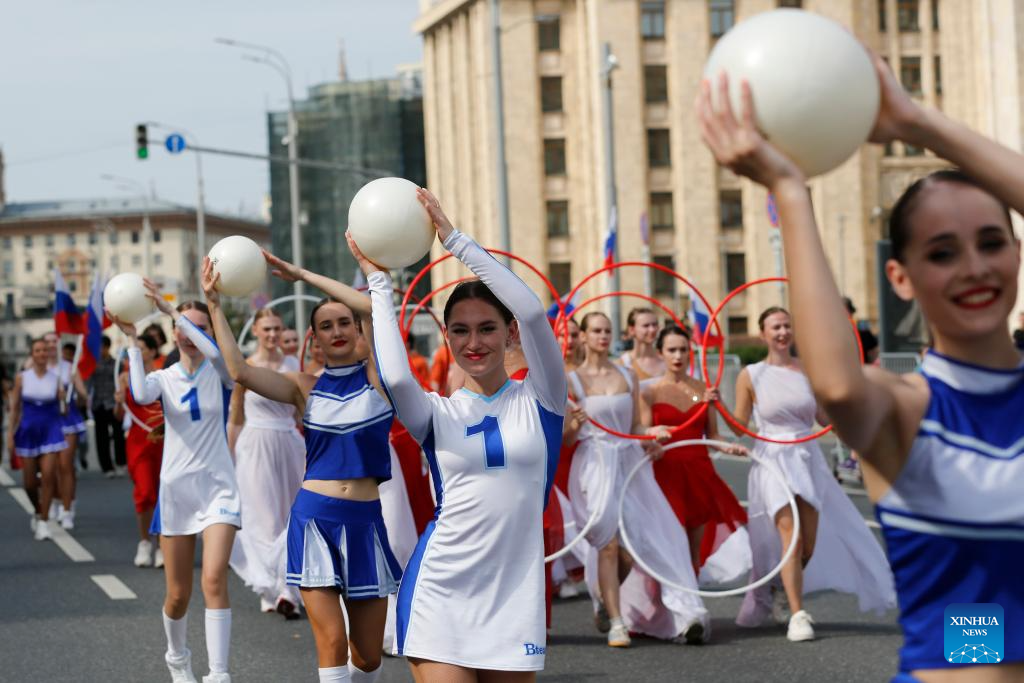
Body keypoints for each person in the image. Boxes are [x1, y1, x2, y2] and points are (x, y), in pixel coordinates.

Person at [699, 53, 1024, 680]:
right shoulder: (909, 408)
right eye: (942, 253)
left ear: (1016, 252)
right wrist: (791, 192)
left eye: (991, 243)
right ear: (901, 277)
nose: (974, 267)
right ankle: (786, 601)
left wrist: (920, 123)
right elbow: (838, 386)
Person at [357, 188, 566, 681]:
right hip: (441, 591)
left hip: (514, 598)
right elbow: (397, 378)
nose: (474, 343)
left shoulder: (544, 400)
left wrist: (454, 241)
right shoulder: (435, 414)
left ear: (510, 334)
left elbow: (533, 313)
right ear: (446, 336)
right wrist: (378, 284)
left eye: (487, 328)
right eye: (460, 330)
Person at [205, 255, 401, 683]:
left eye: (345, 322)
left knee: (367, 656)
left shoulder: (380, 376)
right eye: (326, 326)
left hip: (366, 523)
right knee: (331, 642)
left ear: (358, 329)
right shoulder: (303, 387)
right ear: (315, 339)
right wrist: (215, 305)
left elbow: (374, 306)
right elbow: (239, 371)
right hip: (315, 520)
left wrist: (302, 275)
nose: (337, 331)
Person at [721, 307, 895, 641]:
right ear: (763, 333)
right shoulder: (751, 374)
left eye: (787, 326)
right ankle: (798, 615)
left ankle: (780, 588)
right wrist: (717, 406)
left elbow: (824, 418)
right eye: (775, 327)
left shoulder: (807, 371)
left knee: (807, 546)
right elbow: (740, 426)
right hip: (772, 459)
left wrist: (856, 435)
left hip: (806, 456)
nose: (783, 332)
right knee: (792, 536)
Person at [113, 286, 241, 683]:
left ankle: (219, 674)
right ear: (172, 334)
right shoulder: (163, 378)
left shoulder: (221, 371)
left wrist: (171, 310)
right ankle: (177, 656)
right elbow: (139, 394)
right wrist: (132, 341)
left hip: (219, 488)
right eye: (183, 328)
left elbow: (216, 353)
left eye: (199, 327)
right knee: (178, 594)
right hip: (177, 493)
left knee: (214, 578)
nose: (189, 334)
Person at [565, 311, 709, 648]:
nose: (603, 336)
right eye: (596, 331)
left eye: (607, 330)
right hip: (594, 464)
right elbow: (567, 439)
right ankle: (617, 623)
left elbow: (634, 427)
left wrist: (651, 433)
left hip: (629, 463)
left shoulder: (627, 375)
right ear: (583, 336)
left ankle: (606, 601)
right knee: (608, 543)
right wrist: (575, 423)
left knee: (635, 545)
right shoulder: (571, 380)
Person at [644, 325, 749, 581]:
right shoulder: (650, 391)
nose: (678, 356)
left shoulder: (704, 390)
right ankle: (669, 599)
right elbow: (643, 432)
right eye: (671, 350)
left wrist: (729, 447)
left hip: (699, 474)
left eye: (683, 350)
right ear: (660, 353)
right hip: (664, 473)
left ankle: (691, 596)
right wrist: (652, 438)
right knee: (669, 542)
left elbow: (713, 436)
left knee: (694, 549)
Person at [226, 307, 305, 619]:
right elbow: (236, 412)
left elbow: (301, 410)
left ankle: (288, 589)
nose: (273, 334)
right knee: (263, 518)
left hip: (289, 444)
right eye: (267, 329)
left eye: (277, 328)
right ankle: (268, 586)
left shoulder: (292, 364)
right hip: (255, 444)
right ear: (256, 331)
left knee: (292, 516)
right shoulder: (246, 366)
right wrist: (228, 454)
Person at [115, 334, 165, 568]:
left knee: (164, 494)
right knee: (145, 493)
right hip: (138, 441)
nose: (138, 352)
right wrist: (119, 401)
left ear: (153, 352)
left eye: (143, 348)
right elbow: (119, 416)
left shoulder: (164, 375)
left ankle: (163, 545)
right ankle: (145, 541)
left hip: (164, 440)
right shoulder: (125, 377)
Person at [8, 338, 65, 540]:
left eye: (44, 351)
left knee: (49, 475)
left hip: (50, 430)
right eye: (37, 350)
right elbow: (15, 409)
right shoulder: (22, 378)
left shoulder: (56, 378)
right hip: (28, 431)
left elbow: (64, 412)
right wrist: (10, 435)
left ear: (48, 354)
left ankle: (44, 521)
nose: (41, 354)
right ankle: (38, 509)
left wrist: (63, 399)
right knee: (30, 483)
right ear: (32, 354)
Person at [54, 338, 87, 529]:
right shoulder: (36, 367)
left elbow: (83, 395)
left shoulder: (70, 369)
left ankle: (67, 508)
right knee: (50, 469)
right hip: (47, 422)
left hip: (68, 421)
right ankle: (55, 500)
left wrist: (81, 395)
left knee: (65, 465)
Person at [90, 335, 127, 477]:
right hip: (98, 403)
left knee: (118, 434)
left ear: (107, 347)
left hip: (114, 403)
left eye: (101, 347)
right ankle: (107, 467)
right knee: (101, 436)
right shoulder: (92, 364)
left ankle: (121, 462)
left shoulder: (117, 364)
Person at [618, 307, 665, 380]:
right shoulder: (623, 364)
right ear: (632, 330)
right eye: (646, 325)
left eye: (654, 325)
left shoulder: (666, 358)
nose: (652, 330)